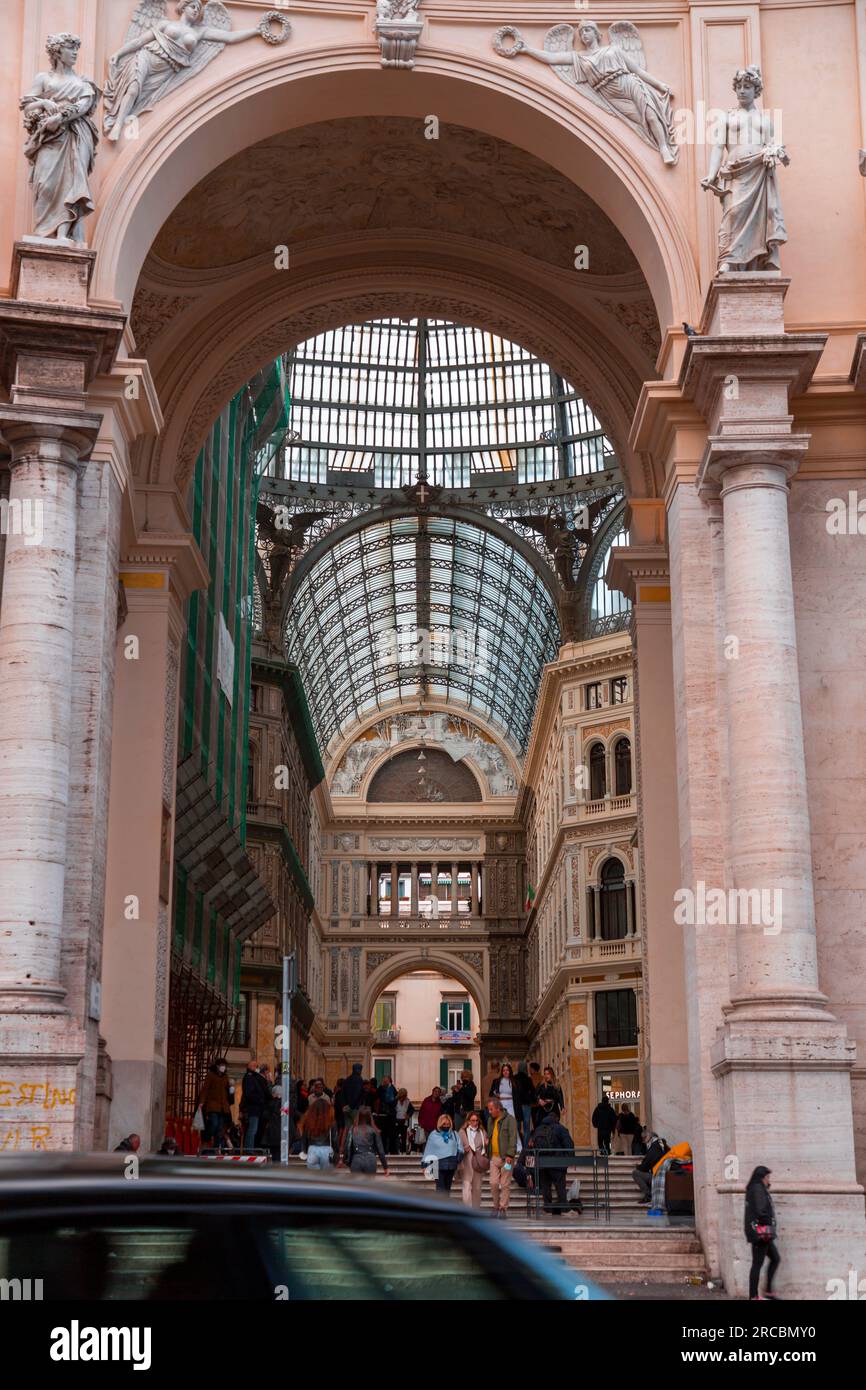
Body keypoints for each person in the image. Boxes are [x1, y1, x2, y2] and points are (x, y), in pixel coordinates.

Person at [530, 1107, 576, 1215]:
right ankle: (564, 1209)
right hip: (557, 1162)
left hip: (542, 1162)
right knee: (560, 1186)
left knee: (546, 1186)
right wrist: (571, 1159)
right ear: (557, 1119)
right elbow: (569, 1144)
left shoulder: (538, 1129)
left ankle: (547, 1208)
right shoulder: (560, 1128)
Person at [745, 1166, 780, 1301]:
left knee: (775, 1258)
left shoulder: (756, 1188)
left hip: (762, 1234)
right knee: (757, 1264)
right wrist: (768, 1223)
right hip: (761, 1234)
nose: (768, 1180)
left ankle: (768, 1292)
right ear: (762, 1177)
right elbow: (761, 1211)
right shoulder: (758, 1188)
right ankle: (754, 1296)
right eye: (767, 1177)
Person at [486, 1097, 518, 1218]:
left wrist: (510, 1154)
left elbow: (513, 1137)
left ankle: (503, 1208)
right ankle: (495, 1206)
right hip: (494, 1158)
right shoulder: (490, 1120)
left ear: (498, 1108)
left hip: (506, 1158)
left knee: (505, 1184)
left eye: (491, 1109)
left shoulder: (510, 1120)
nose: (489, 1112)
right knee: (493, 1183)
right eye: (489, 1109)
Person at [422, 1113, 464, 1194]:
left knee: (447, 1189)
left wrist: (457, 1159)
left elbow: (460, 1148)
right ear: (440, 1123)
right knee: (440, 1189)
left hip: (451, 1165)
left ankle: (445, 1205)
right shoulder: (433, 1135)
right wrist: (424, 1165)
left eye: (448, 1124)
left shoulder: (454, 1134)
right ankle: (439, 1206)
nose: (446, 1126)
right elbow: (428, 1150)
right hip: (436, 1164)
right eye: (444, 1124)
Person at [343, 1106, 389, 1176]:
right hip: (371, 1160)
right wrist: (385, 1167)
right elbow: (381, 1151)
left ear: (358, 1116)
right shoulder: (374, 1130)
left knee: (356, 1186)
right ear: (370, 1117)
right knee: (368, 1186)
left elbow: (347, 1146)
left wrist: (345, 1160)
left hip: (356, 1159)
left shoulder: (353, 1130)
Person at [197, 1057, 232, 1152]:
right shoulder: (211, 1075)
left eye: (224, 1066)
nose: (223, 1067)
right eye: (222, 1065)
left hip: (223, 1107)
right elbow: (205, 1089)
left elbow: (227, 1090)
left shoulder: (225, 1077)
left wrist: (231, 1090)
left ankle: (216, 1147)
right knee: (214, 1124)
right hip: (212, 1105)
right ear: (217, 1066)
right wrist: (201, 1102)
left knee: (220, 1128)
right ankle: (206, 1140)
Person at [240, 1059, 271, 1153]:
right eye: (255, 1066)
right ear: (250, 1067)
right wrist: (260, 1100)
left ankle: (249, 1148)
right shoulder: (249, 1077)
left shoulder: (254, 1077)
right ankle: (249, 1149)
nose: (256, 1068)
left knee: (254, 1129)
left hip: (256, 1108)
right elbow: (249, 1094)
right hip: (253, 1108)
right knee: (252, 1129)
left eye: (257, 1066)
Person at [458, 1111, 488, 1208]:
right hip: (466, 1162)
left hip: (478, 1162)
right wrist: (464, 1148)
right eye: (472, 1120)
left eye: (476, 1121)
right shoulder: (462, 1132)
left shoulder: (482, 1132)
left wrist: (487, 1144)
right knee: (466, 1186)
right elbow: (457, 1147)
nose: (475, 1123)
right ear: (468, 1121)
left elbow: (485, 1148)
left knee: (477, 1188)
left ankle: (475, 1210)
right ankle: (467, 1209)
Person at [299, 1098, 338, 1170]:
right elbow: (334, 1139)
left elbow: (304, 1137)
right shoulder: (331, 1122)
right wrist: (336, 1152)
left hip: (312, 1150)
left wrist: (304, 1150)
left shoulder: (308, 1121)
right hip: (327, 1150)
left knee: (314, 1178)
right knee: (327, 1178)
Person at [632, 1133, 669, 1204]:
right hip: (663, 1174)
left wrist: (638, 1166)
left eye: (644, 1139)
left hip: (659, 1177)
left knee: (635, 1173)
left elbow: (645, 1166)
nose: (644, 1141)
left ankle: (648, 1195)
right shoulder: (661, 1144)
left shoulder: (654, 1147)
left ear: (650, 1138)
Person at [513, 1062, 535, 1145]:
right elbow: (533, 1092)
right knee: (526, 1127)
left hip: (517, 1105)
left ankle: (518, 1146)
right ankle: (525, 1147)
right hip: (526, 1105)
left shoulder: (514, 1078)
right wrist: (533, 1101)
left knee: (517, 1127)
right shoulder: (528, 1079)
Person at [394, 1088, 415, 1153]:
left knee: (404, 1137)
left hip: (404, 1121)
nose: (403, 1098)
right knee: (395, 1137)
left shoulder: (407, 1101)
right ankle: (395, 1150)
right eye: (402, 1096)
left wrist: (408, 1115)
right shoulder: (395, 1101)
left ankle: (403, 1150)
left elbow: (412, 1110)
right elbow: (392, 1110)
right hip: (396, 1121)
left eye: (404, 1096)